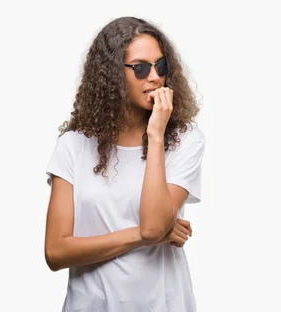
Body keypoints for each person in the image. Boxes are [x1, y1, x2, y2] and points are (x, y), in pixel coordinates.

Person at [44, 16, 205, 312]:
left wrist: (155, 135)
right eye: (141, 68)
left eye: (161, 65)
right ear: (111, 75)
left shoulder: (185, 141)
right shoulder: (73, 145)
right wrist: (141, 235)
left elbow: (155, 226)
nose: (155, 77)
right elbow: (56, 251)